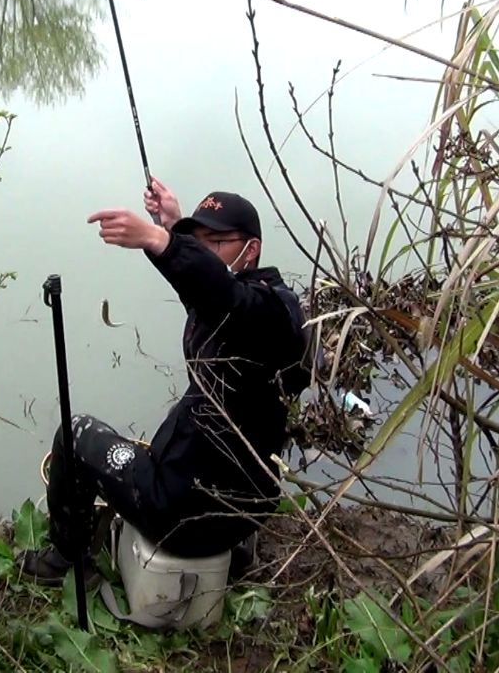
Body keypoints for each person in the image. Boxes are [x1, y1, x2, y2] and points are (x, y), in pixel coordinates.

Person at [19, 179, 314, 584]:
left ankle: (66, 561)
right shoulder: (254, 303)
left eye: (218, 241)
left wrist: (159, 240)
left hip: (182, 513)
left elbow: (221, 293)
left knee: (75, 434)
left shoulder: (267, 314)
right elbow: (206, 291)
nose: (206, 250)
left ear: (253, 248)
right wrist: (173, 229)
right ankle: (237, 550)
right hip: (247, 508)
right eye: (199, 241)